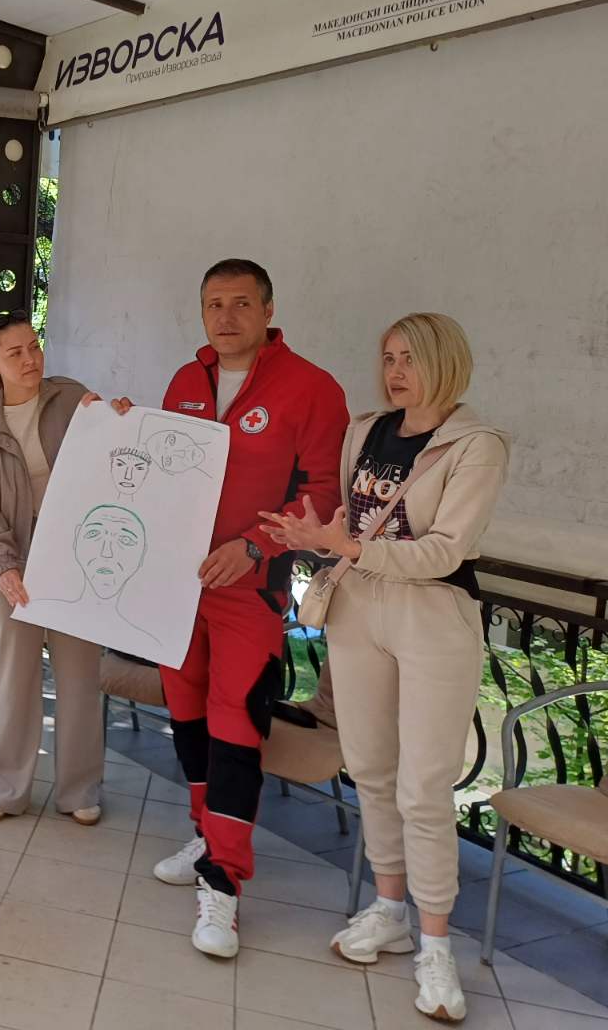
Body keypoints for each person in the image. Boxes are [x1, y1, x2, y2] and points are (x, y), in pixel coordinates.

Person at [259, 313, 506, 1022]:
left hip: (432, 613)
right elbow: (351, 524)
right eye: (389, 357)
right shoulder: (365, 431)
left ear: (445, 362)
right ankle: (390, 910)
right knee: (369, 767)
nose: (395, 371)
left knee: (423, 787)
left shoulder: (477, 444)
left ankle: (437, 946)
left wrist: (351, 547)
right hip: (359, 606)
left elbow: (445, 550)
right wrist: (317, 536)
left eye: (410, 358)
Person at [151, 259, 349, 958]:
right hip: (177, 587)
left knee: (236, 725)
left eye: (241, 303)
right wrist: (118, 428)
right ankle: (207, 833)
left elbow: (323, 494)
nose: (226, 316)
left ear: (268, 310)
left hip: (251, 590)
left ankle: (223, 882)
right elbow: (158, 467)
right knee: (187, 715)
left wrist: (255, 546)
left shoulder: (313, 388)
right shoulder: (185, 380)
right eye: (214, 303)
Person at [0, 310, 113, 825]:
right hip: (8, 556)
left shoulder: (72, 399)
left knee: (79, 674)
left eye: (34, 347)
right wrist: (4, 566)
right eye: (15, 352)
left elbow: (113, 454)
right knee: (14, 676)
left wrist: (121, 419)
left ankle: (80, 790)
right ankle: (4, 789)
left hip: (74, 555)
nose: (30, 359)